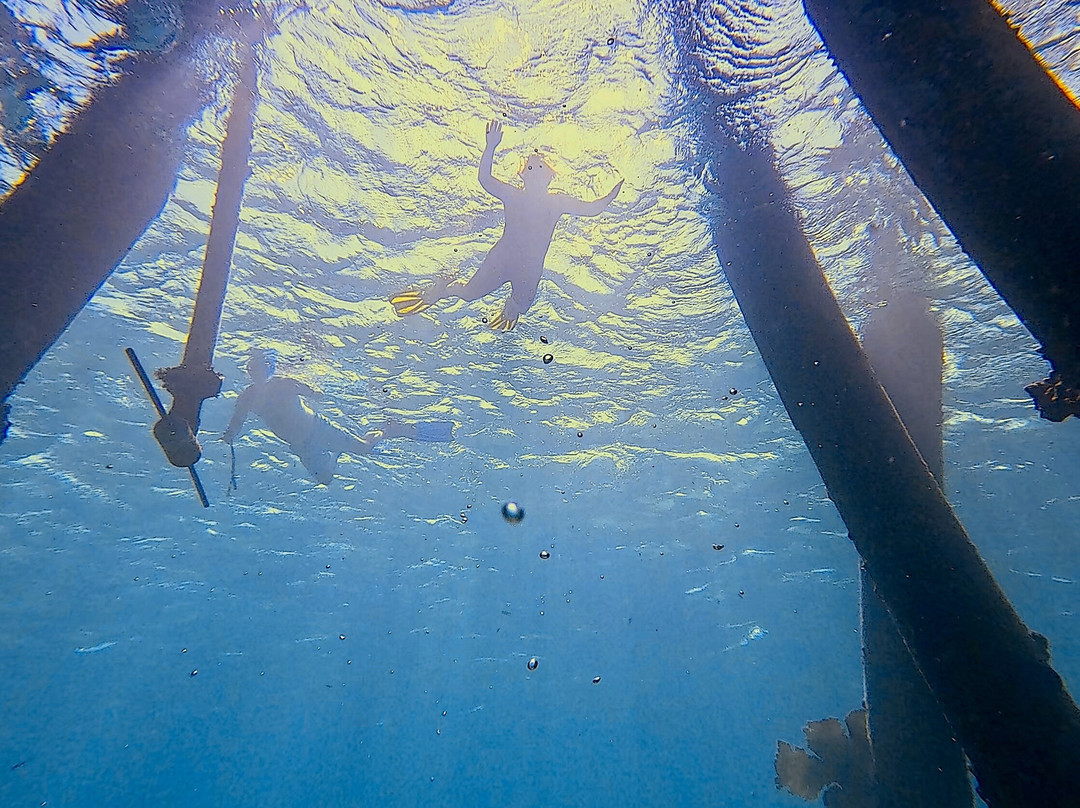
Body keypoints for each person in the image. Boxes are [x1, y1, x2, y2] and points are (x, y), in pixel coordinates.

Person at [391, 118, 624, 330]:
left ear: (551, 177)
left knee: (522, 308)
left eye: (540, 168)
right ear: (522, 176)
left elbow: (592, 209)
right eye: (530, 168)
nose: (535, 172)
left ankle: (510, 308)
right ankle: (439, 290)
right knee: (468, 294)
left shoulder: (557, 202)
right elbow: (484, 179)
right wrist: (490, 146)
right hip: (501, 259)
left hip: (530, 271)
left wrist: (610, 197)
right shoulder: (514, 195)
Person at [222, 349, 453, 486]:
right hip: (300, 445)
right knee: (325, 479)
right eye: (255, 370)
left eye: (263, 368)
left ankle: (389, 428)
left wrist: (308, 385)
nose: (260, 373)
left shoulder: (285, 383)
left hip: (318, 428)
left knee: (364, 448)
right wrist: (230, 435)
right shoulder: (247, 397)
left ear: (269, 368)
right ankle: (337, 450)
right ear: (250, 372)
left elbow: (317, 393)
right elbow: (237, 421)